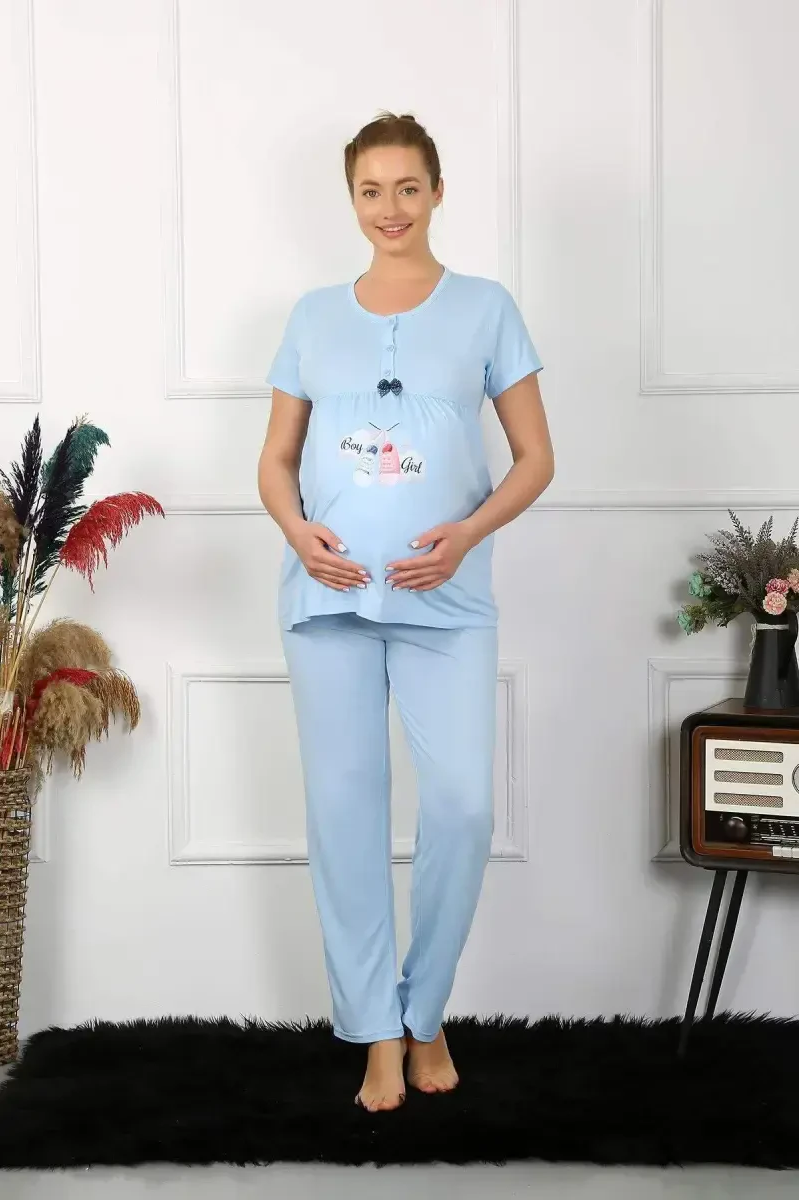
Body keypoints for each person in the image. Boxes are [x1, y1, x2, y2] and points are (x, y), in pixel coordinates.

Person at [258, 111, 554, 1113]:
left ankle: (424, 1009)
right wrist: (297, 531)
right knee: (344, 817)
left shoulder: (485, 309)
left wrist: (465, 535)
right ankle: (377, 1035)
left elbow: (536, 459)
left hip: (448, 602)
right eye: (370, 191)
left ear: (437, 191)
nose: (389, 208)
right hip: (328, 601)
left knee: (463, 806)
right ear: (351, 198)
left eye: (407, 188)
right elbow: (275, 461)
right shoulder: (311, 317)